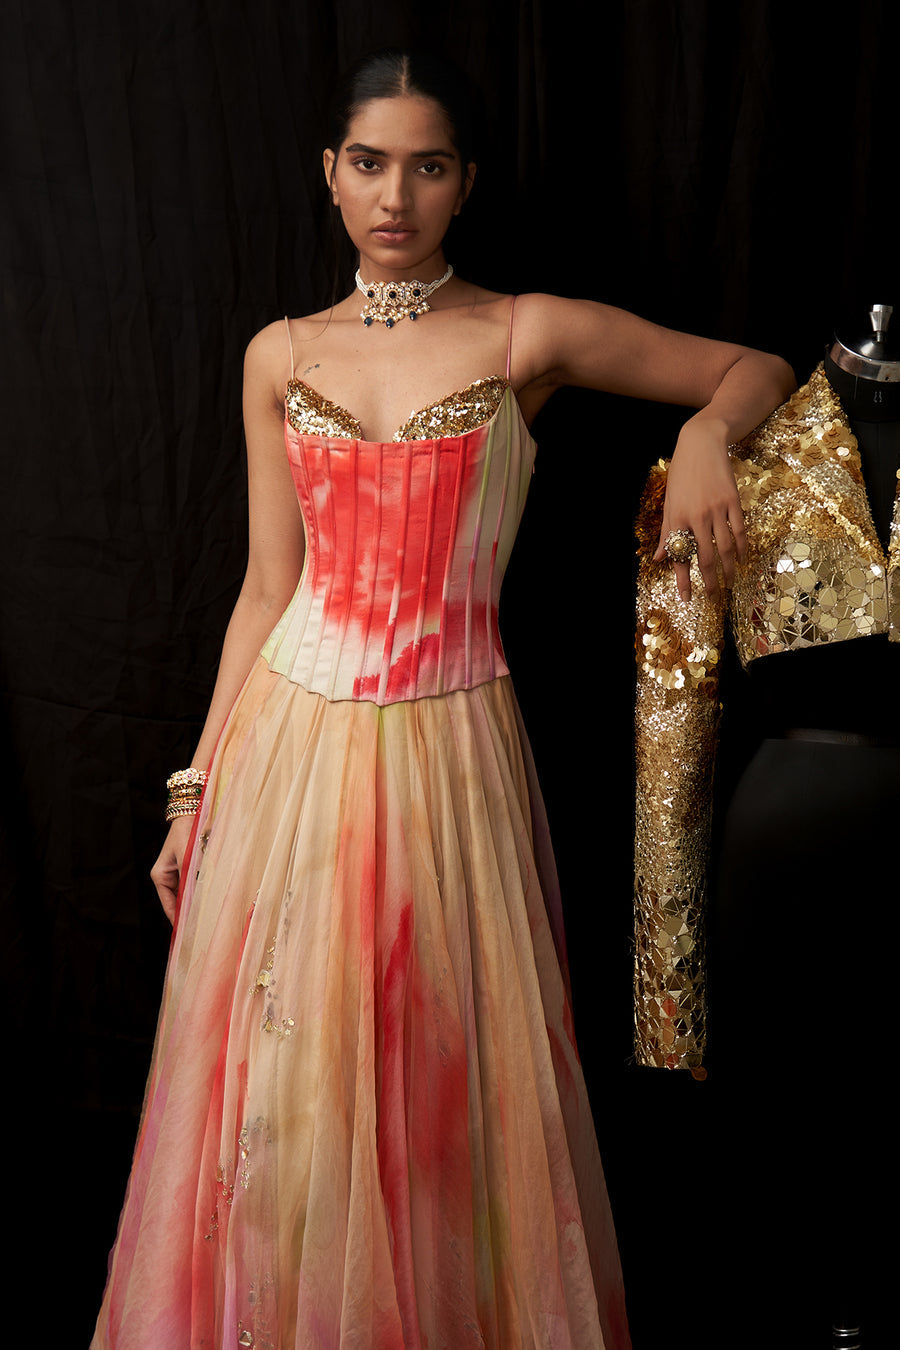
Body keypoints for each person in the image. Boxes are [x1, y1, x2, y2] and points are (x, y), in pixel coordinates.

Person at [92, 49, 793, 1350]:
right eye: (369, 163)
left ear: (465, 183)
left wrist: (706, 435)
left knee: (434, 1083)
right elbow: (265, 589)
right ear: (329, 173)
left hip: (448, 748)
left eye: (426, 167)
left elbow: (756, 368)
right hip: (290, 752)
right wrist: (196, 787)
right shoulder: (278, 354)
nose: (394, 195)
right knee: (287, 1091)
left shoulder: (523, 333)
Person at [633, 306, 898, 1343]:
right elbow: (673, 719)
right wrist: (668, 992)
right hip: (786, 837)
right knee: (795, 1120)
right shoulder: (746, 458)